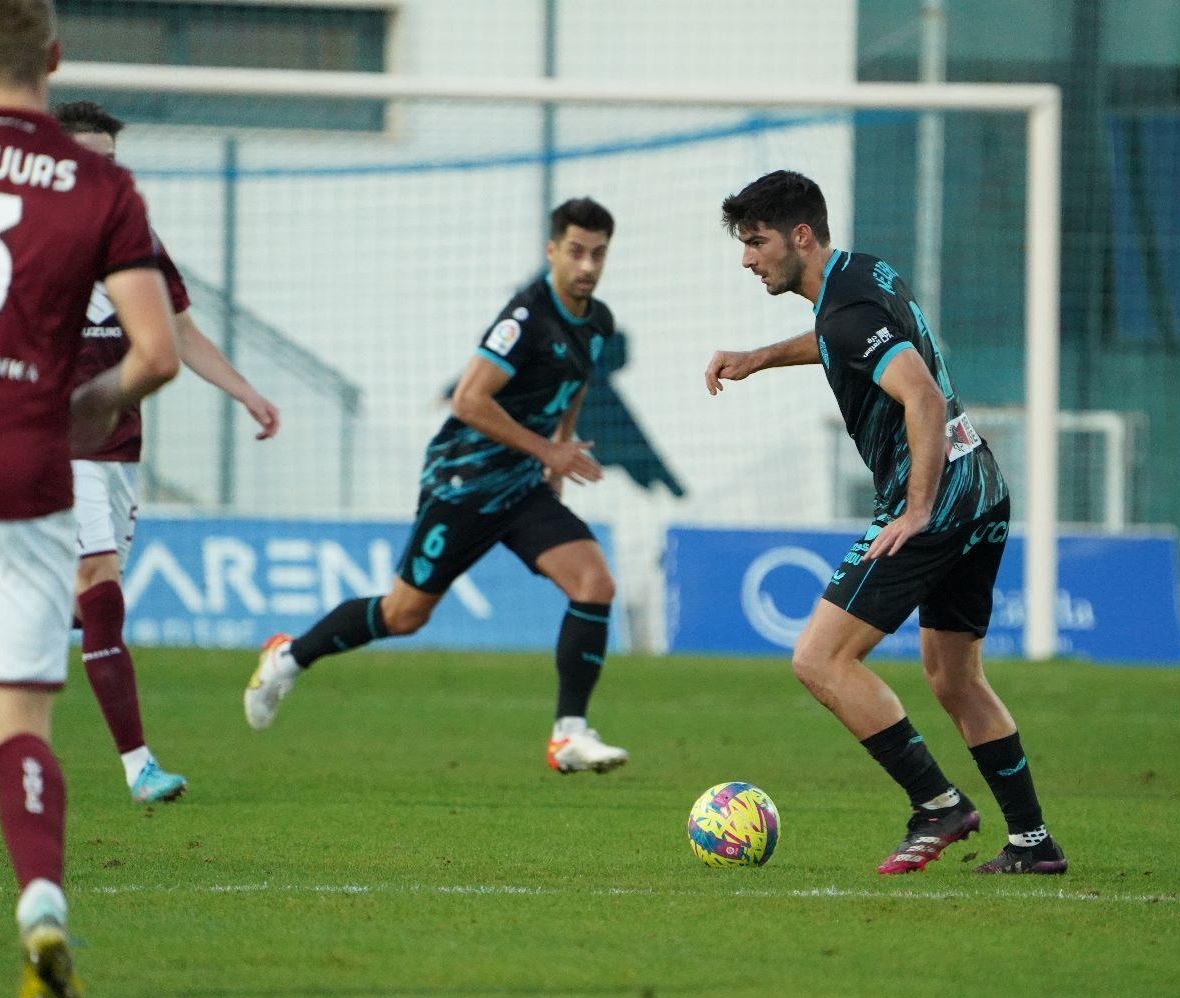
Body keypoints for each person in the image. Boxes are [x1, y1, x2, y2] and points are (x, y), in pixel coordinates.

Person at [706, 170, 1066, 876]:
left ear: (800, 236)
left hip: (935, 498)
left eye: (757, 242)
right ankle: (1032, 842)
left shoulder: (844, 312)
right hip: (983, 485)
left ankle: (937, 805)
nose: (748, 258)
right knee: (954, 679)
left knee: (819, 658)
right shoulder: (863, 274)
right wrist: (759, 358)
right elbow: (849, 342)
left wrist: (918, 509)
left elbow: (921, 398)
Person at [0, 0, 179, 998]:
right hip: (20, 467)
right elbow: (156, 355)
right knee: (15, 724)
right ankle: (41, 899)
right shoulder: (101, 186)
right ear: (52, 57)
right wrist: (84, 408)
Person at [245, 198, 629, 774]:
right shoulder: (524, 319)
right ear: (552, 251)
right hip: (462, 483)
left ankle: (568, 735)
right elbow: (468, 399)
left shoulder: (598, 323)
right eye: (576, 251)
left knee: (594, 584)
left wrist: (554, 468)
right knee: (404, 616)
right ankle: (288, 658)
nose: (588, 266)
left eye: (598, 254)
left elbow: (571, 390)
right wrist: (548, 449)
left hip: (523, 487)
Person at [55, 99, 281, 805]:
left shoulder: (134, 237)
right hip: (51, 441)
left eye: (110, 163)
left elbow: (179, 332)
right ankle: (139, 766)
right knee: (100, 583)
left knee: (72, 606)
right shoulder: (20, 231)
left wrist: (244, 390)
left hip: (119, 447)